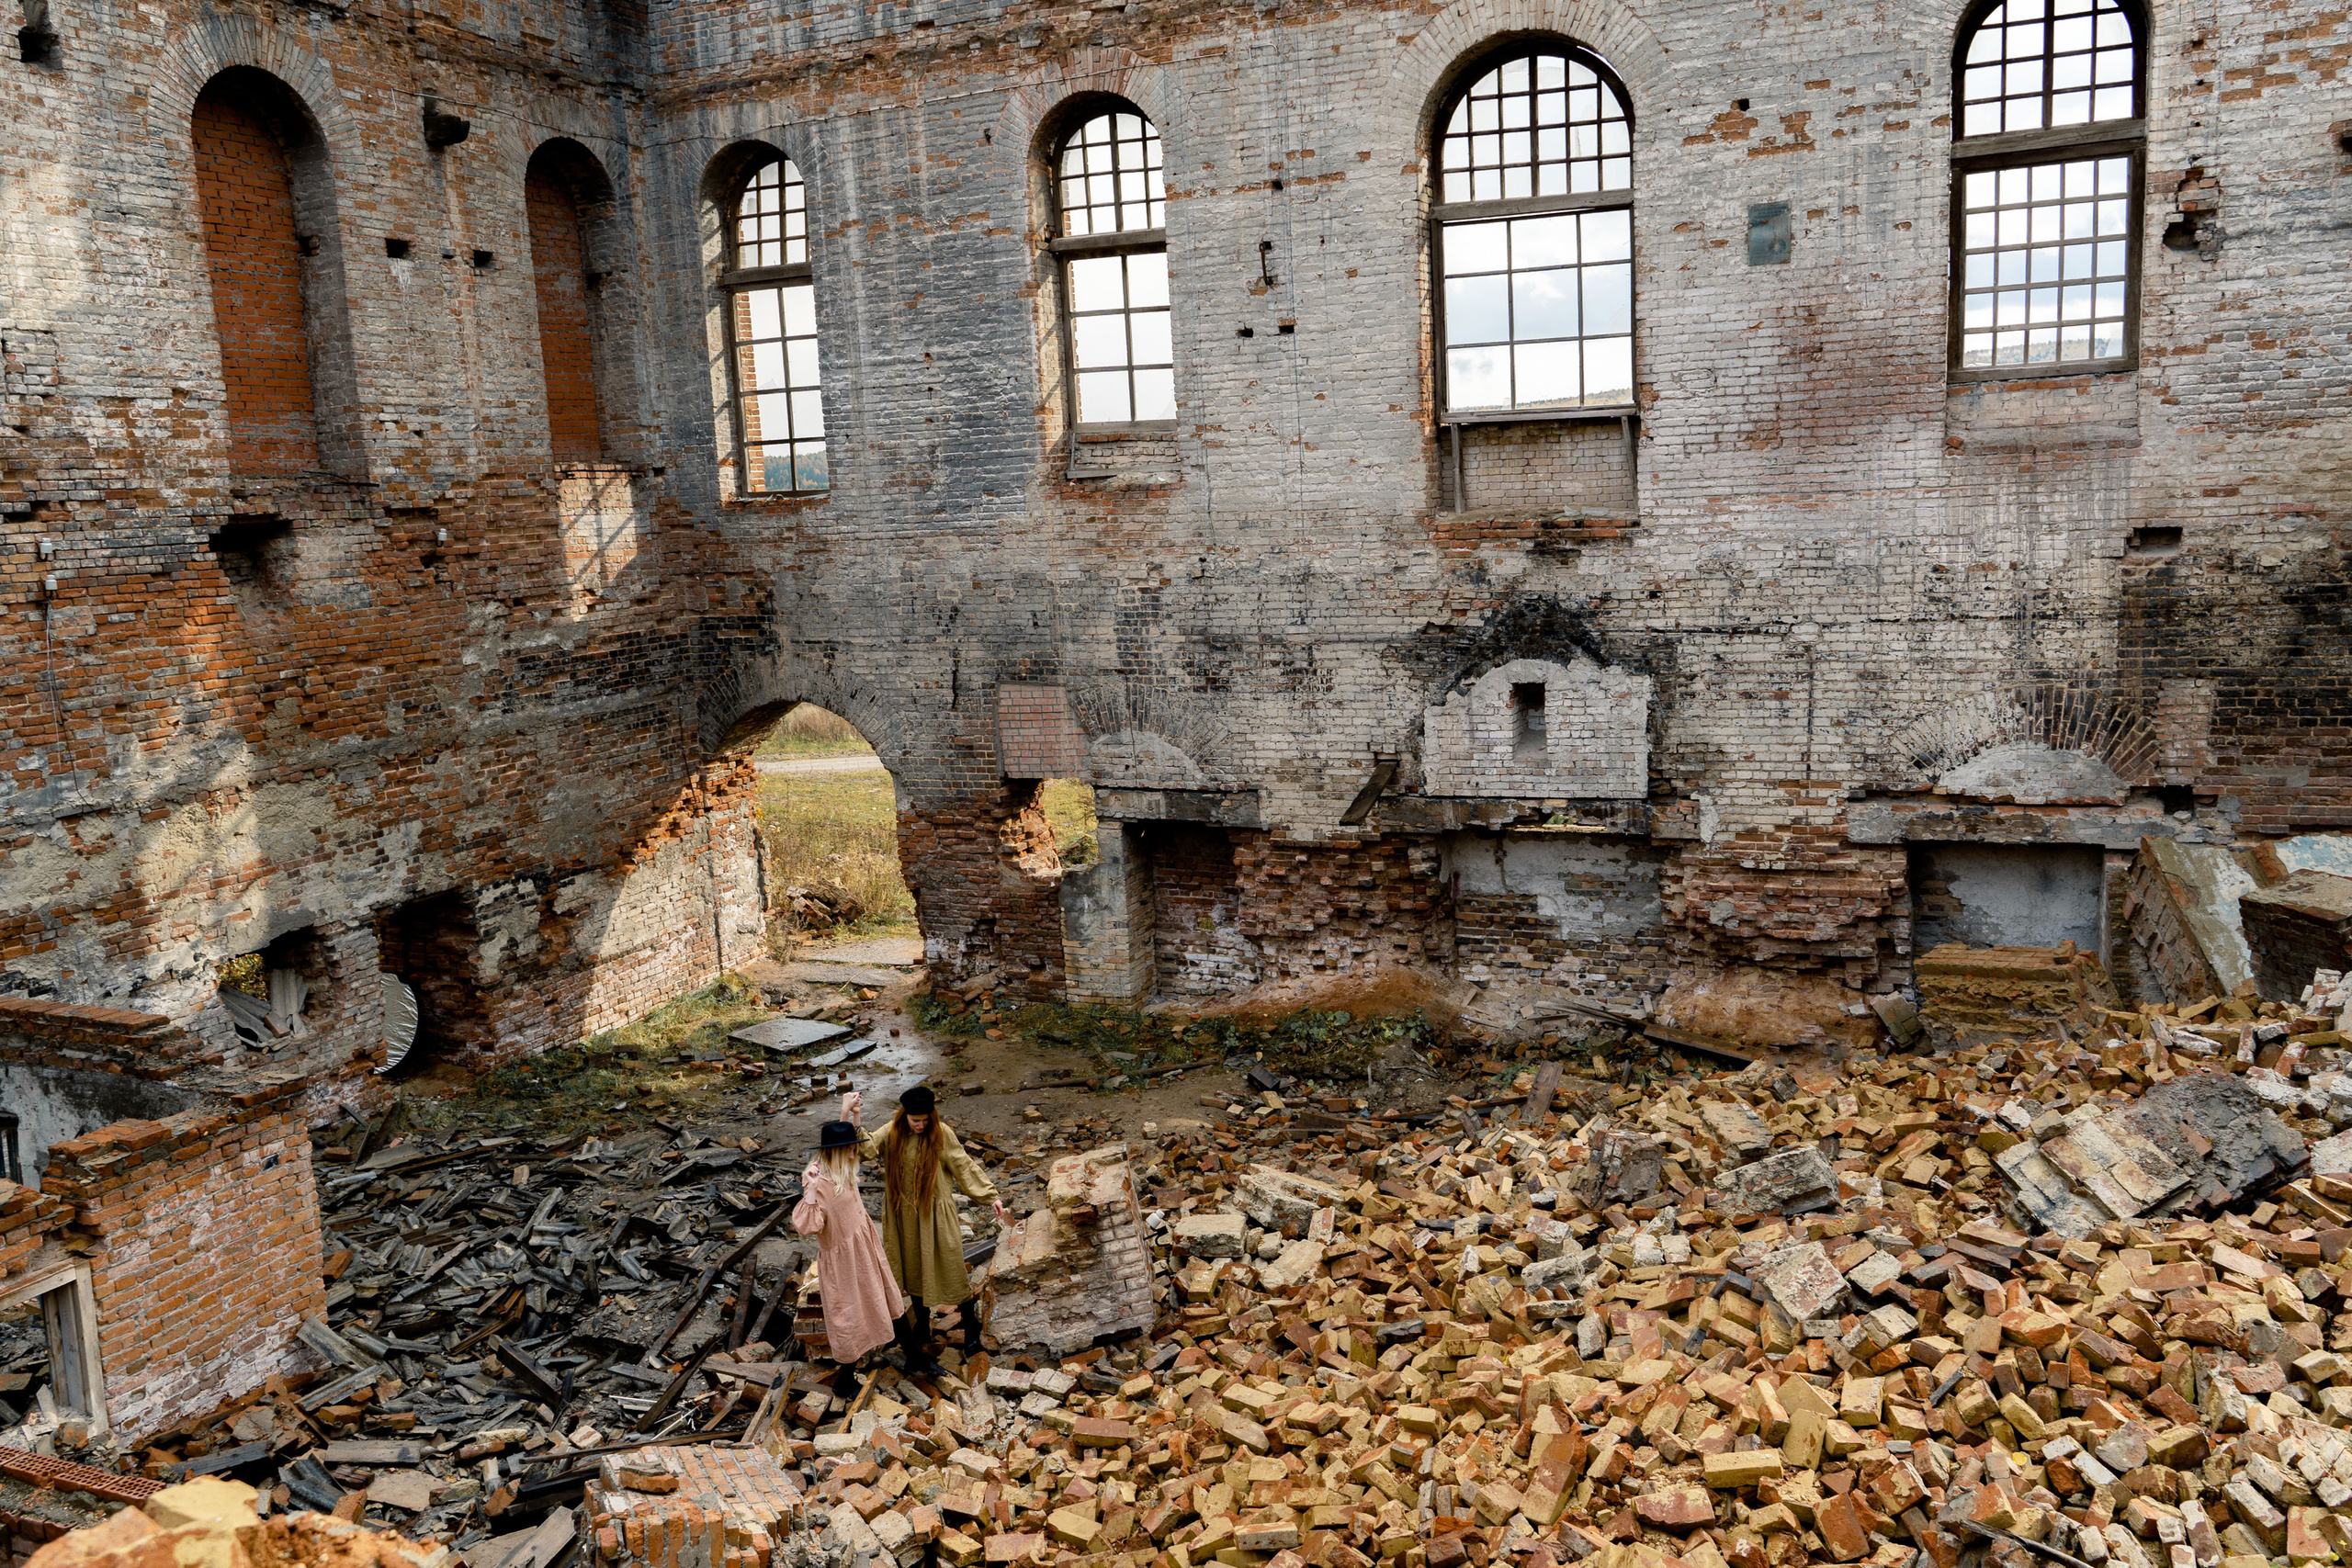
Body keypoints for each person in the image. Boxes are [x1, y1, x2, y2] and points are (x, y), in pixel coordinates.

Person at [842, 1084, 1010, 1367]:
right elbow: (868, 1149)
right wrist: (855, 1115)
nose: (921, 1125)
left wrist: (990, 1195)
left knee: (951, 1266)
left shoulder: (942, 1133)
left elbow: (963, 1166)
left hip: (934, 1216)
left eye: (925, 1120)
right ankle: (922, 1324)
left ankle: (971, 1330)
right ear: (905, 1115)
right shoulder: (892, 1131)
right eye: (915, 1120)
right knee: (912, 1269)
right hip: (902, 1216)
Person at [790, 1120, 909, 1397]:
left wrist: (849, 1112)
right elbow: (807, 1226)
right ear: (837, 1151)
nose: (856, 1153)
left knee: (888, 1297)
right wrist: (809, 1189)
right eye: (851, 1149)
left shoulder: (843, 1171)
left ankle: (914, 1354)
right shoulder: (819, 1182)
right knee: (848, 1317)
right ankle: (844, 1381)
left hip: (865, 1248)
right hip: (844, 1261)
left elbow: (842, 1131)